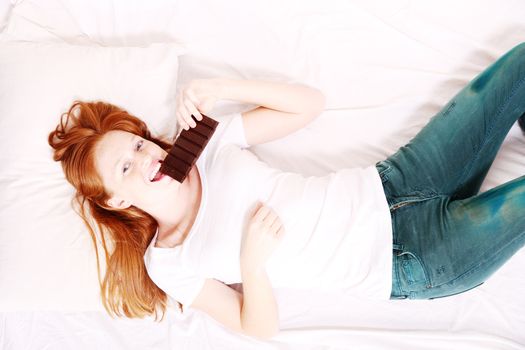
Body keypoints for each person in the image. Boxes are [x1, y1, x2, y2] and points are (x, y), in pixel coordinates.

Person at [48, 42, 525, 340]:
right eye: (126, 167)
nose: (148, 156)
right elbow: (258, 328)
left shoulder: (203, 144)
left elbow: (309, 106)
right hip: (410, 260)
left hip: (397, 180)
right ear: (115, 199)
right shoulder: (169, 263)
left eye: (138, 143)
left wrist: (220, 87)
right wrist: (252, 266)